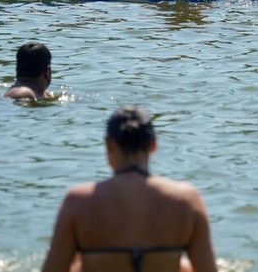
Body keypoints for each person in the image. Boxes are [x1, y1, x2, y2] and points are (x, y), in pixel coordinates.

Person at [41, 105, 217, 272]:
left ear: (109, 144)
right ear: (153, 144)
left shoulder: (78, 202)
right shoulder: (187, 201)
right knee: (183, 266)